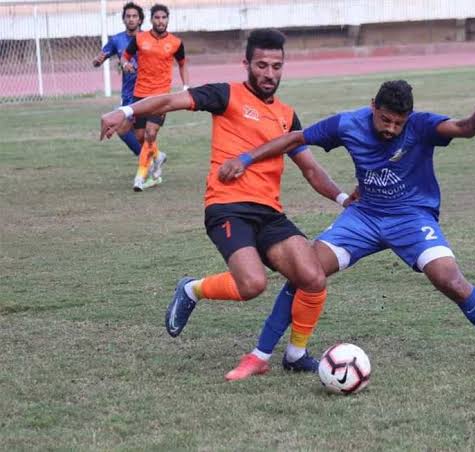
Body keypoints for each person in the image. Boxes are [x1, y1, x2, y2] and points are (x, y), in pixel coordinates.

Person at [218, 80, 475, 380]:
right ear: (373, 105)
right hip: (364, 217)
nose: (391, 129)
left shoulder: (420, 125)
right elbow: (295, 138)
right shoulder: (348, 123)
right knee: (306, 273)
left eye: (398, 124)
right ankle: (260, 356)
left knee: (452, 281)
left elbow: (459, 127)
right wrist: (246, 158)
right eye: (385, 119)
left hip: (412, 218)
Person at [100, 29, 356, 378]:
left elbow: (310, 169)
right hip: (227, 206)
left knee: (312, 277)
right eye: (262, 65)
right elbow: (171, 101)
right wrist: (125, 109)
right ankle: (192, 288)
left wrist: (343, 198)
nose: (269, 73)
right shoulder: (225, 95)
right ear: (247, 63)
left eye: (276, 66)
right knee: (252, 285)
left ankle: (296, 355)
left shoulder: (286, 115)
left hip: (270, 213)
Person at [121, 3, 189, 191]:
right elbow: (125, 56)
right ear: (151, 20)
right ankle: (158, 156)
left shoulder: (176, 42)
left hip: (161, 96)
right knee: (141, 136)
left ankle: (140, 177)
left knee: (151, 133)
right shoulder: (140, 38)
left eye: (164, 18)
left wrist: (185, 87)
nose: (161, 21)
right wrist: (125, 64)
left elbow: (183, 64)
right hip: (140, 94)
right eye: (157, 18)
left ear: (168, 19)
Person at [92, 2, 144, 159]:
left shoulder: (147, 39)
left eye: (134, 16)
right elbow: (97, 61)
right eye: (128, 16)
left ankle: (149, 160)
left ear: (140, 20)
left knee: (125, 129)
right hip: (128, 93)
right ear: (123, 19)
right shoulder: (117, 40)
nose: (131, 19)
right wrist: (97, 60)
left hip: (146, 91)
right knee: (135, 133)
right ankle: (151, 162)